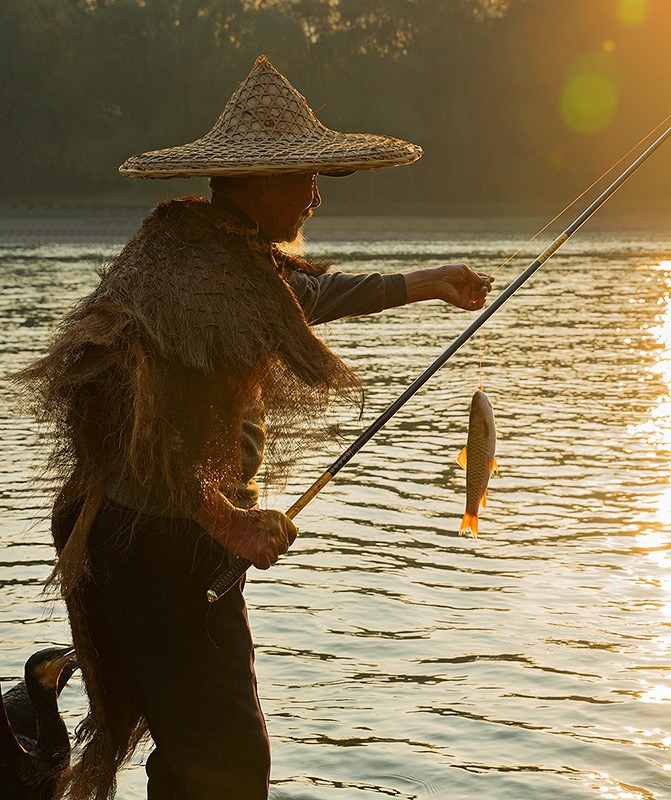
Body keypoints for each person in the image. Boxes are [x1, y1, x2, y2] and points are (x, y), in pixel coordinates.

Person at [17, 56, 492, 800]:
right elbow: (140, 430)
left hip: (149, 533)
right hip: (160, 539)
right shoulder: (196, 272)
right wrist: (228, 523)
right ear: (264, 179)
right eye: (304, 180)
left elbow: (301, 293)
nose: (312, 199)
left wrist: (427, 283)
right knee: (228, 760)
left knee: (198, 749)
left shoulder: (208, 251)